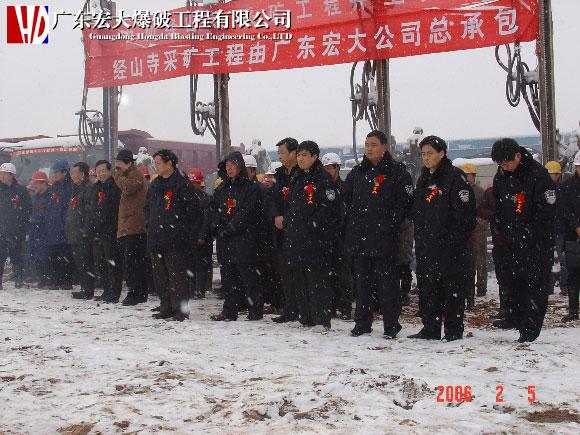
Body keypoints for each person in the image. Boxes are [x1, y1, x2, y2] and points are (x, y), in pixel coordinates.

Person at [343, 131, 414, 338]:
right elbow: (346, 198)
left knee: (387, 285)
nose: (369, 148)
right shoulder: (358, 172)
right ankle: (362, 323)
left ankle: (391, 325)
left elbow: (404, 203)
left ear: (384, 147)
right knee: (362, 284)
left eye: (374, 144)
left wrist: (389, 223)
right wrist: (353, 223)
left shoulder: (397, 172)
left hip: (385, 238)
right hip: (360, 237)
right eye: (366, 144)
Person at [409, 136, 476, 342]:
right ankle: (430, 327)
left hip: (449, 247)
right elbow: (418, 209)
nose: (426, 158)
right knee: (429, 289)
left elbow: (465, 216)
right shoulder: (424, 178)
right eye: (423, 154)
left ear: (442, 153)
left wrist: (452, 241)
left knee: (452, 290)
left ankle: (453, 330)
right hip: (426, 245)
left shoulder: (455, 177)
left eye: (430, 153)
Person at [491, 138, 556, 342]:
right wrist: (499, 225)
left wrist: (526, 234)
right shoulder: (502, 175)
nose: (503, 167)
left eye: (506, 163)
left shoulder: (537, 175)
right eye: (500, 164)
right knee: (514, 285)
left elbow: (547, 213)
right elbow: (498, 203)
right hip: (510, 242)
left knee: (535, 287)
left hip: (536, 243)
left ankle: (530, 330)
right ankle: (517, 320)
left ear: (518, 156)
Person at [284, 141, 340, 331]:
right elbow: (291, 206)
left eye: (304, 155)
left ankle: (322, 319)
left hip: (316, 238)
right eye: (299, 155)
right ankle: (305, 317)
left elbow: (329, 208)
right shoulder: (297, 177)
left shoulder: (323, 179)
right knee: (300, 279)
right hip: (296, 237)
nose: (300, 159)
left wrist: (311, 225)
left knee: (317, 280)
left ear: (314, 157)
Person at [145, 149, 201, 321]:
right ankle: (166, 307)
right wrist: (149, 224)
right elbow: (147, 208)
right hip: (156, 237)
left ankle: (180, 310)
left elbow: (193, 212)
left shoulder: (182, 184)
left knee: (177, 277)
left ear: (169, 163)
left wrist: (185, 233)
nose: (156, 166)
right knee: (160, 277)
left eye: (158, 163)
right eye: (155, 163)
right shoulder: (155, 184)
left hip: (176, 239)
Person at [210, 151, 266, 321]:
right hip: (225, 240)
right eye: (227, 166)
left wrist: (231, 227)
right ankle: (229, 311)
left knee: (249, 277)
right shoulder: (221, 188)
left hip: (245, 239)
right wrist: (217, 226)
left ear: (240, 167)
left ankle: (255, 310)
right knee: (228, 277)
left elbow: (247, 211)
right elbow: (213, 209)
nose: (229, 169)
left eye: (233, 165)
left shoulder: (251, 187)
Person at [269, 138, 301, 323]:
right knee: (285, 273)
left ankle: (303, 310)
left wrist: (287, 218)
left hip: (298, 232)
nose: (280, 156)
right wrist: (276, 215)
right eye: (279, 153)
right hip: (281, 232)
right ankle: (290, 310)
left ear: (293, 153)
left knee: (299, 274)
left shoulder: (302, 173)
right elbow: (272, 198)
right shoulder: (280, 174)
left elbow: (300, 204)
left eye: (282, 152)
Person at [113, 149, 149, 306]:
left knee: (133, 263)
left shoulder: (135, 175)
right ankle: (139, 293)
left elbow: (128, 188)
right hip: (128, 227)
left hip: (135, 227)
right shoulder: (129, 175)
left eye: (119, 163)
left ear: (128, 163)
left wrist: (117, 176)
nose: (117, 166)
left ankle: (135, 293)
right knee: (133, 262)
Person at [321, 152, 353, 319]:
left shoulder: (344, 187)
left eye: (330, 168)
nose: (328, 171)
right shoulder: (320, 188)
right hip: (325, 237)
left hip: (342, 236)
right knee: (328, 274)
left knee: (343, 274)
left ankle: (345, 307)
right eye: (325, 168)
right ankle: (331, 306)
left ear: (337, 168)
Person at [89, 160, 123, 303]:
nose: (101, 173)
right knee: (100, 262)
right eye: (98, 171)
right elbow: (92, 208)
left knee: (112, 262)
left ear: (110, 171)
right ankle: (106, 290)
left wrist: (108, 223)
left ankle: (114, 293)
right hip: (97, 231)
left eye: (103, 170)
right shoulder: (96, 188)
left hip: (110, 230)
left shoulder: (115, 187)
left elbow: (113, 209)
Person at [0, 163, 32, 289]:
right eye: (1, 174)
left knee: (16, 255)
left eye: (4, 174)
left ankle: (19, 279)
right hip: (1, 228)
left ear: (12, 175)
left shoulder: (20, 190)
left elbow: (28, 208)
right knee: (0, 255)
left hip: (16, 229)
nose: (2, 176)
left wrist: (21, 222)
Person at [66, 162, 95, 299]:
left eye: (74, 173)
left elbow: (89, 211)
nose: (72, 176)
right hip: (75, 232)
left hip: (83, 232)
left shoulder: (88, 189)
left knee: (86, 262)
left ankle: (88, 290)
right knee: (80, 262)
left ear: (82, 174)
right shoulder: (76, 189)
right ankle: (84, 288)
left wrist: (85, 230)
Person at [461, 162, 487, 310]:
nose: (466, 178)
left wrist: (479, 222)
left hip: (477, 229)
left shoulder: (479, 191)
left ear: (473, 176)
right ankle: (468, 293)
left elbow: (484, 211)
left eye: (468, 175)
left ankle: (481, 286)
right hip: (465, 231)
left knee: (480, 259)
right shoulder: (460, 190)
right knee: (468, 263)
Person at [45, 160, 73, 289]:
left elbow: (67, 208)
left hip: (64, 226)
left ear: (64, 172)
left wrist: (65, 223)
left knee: (65, 255)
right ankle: (55, 281)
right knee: (54, 255)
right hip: (53, 227)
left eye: (57, 172)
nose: (54, 174)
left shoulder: (70, 187)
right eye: (54, 172)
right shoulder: (53, 188)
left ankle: (67, 281)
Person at [560, 151, 580, 321]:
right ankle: (573, 310)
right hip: (573, 237)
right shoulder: (567, 186)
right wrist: (576, 227)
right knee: (573, 273)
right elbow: (565, 210)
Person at [187, 167, 213, 300]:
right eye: (191, 183)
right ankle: (191, 290)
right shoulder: (186, 198)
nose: (193, 186)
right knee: (190, 264)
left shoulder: (206, 198)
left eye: (194, 183)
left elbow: (207, 219)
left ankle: (201, 289)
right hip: (190, 237)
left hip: (202, 239)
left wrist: (202, 236)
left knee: (201, 265)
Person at [545, 160, 568, 296]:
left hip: (556, 229)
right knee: (552, 258)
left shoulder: (556, 190)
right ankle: (557, 286)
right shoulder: (561, 189)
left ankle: (560, 286)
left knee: (557, 259)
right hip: (553, 229)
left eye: (551, 174)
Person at [26, 171, 52, 287]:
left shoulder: (50, 196)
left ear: (43, 183)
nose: (34, 186)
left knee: (44, 256)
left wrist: (36, 219)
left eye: (36, 183)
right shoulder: (36, 197)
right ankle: (40, 280)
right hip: (35, 231)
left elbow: (50, 214)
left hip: (45, 231)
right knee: (35, 256)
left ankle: (46, 280)